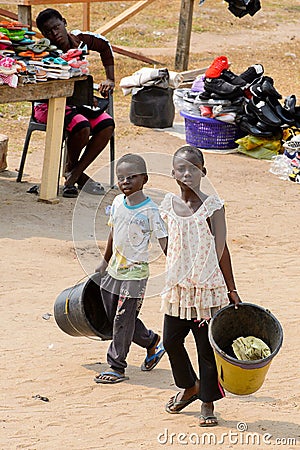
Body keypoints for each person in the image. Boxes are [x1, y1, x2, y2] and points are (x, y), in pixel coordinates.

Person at [159, 145, 241, 426]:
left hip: (207, 291)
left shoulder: (213, 206)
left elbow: (223, 249)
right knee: (170, 340)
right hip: (179, 290)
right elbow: (168, 244)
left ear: (203, 172)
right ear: (172, 173)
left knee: (206, 348)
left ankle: (207, 402)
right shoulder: (167, 206)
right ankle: (189, 386)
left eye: (193, 168)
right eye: (181, 168)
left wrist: (231, 289)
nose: (187, 173)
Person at [94, 153, 168, 384]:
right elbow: (113, 232)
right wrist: (104, 263)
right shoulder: (117, 203)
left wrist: (175, 266)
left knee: (123, 317)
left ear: (144, 179)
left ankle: (116, 366)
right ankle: (151, 341)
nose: (125, 181)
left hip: (135, 274)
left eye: (131, 177)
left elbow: (164, 240)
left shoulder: (150, 211)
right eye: (120, 178)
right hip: (114, 269)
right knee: (113, 315)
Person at [35, 8, 115, 198]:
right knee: (82, 126)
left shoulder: (80, 41)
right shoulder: (43, 52)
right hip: (49, 105)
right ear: (43, 35)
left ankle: (73, 172)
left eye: (56, 27)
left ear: (64, 22)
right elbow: (44, 89)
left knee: (106, 124)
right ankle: (75, 176)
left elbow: (105, 46)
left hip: (78, 104)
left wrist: (110, 78)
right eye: (48, 32)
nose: (55, 34)